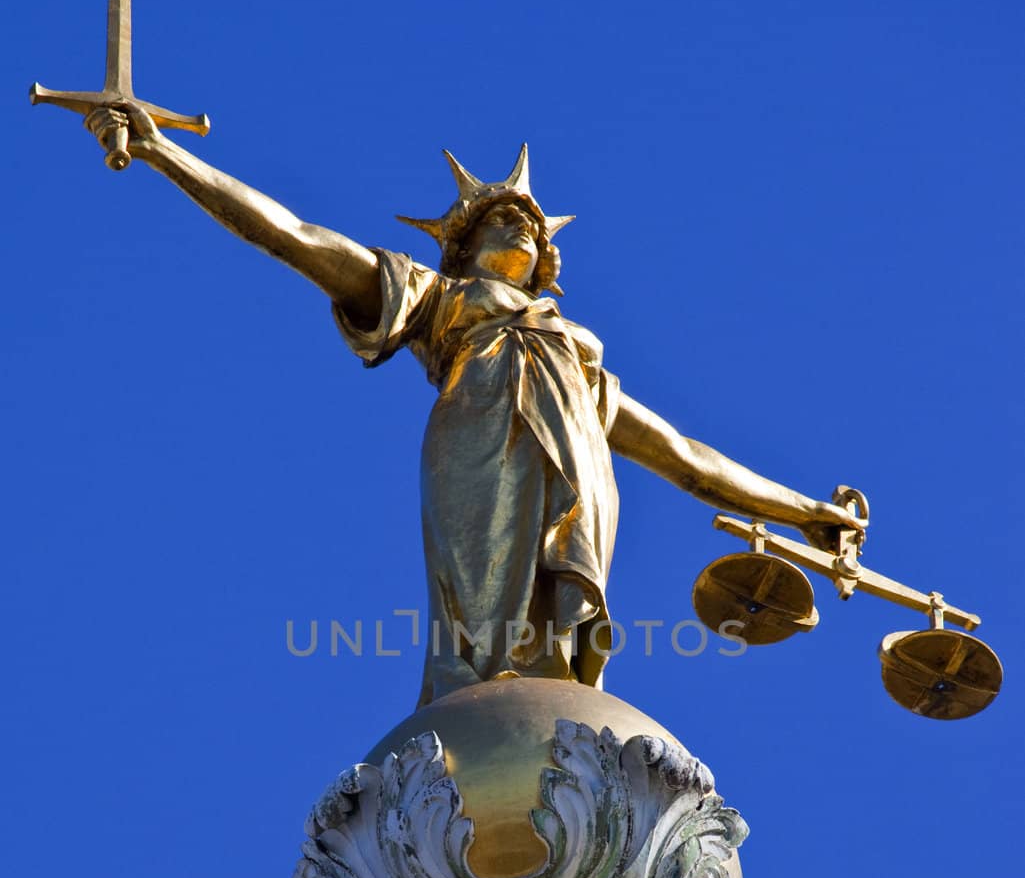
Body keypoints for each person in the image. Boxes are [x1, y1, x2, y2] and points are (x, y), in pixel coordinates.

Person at [85, 108, 864, 703]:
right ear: (459, 247)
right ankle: (479, 704)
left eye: (528, 224)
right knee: (483, 612)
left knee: (561, 613)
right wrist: (162, 150)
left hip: (580, 472)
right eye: (500, 218)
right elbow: (294, 236)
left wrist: (804, 515)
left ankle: (550, 699)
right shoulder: (440, 301)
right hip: (479, 444)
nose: (517, 226)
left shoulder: (579, 359)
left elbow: (685, 458)